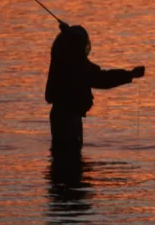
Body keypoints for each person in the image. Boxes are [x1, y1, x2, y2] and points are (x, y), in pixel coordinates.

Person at [46, 22, 145, 151]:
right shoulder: (75, 65)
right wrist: (130, 74)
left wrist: (68, 34)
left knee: (62, 157)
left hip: (63, 115)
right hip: (69, 118)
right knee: (69, 156)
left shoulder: (62, 59)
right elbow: (101, 79)